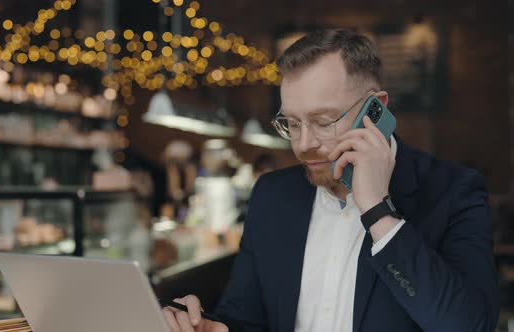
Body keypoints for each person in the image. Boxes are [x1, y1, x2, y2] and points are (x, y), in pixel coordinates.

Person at [162, 29, 499, 332]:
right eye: (292, 124)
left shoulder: (453, 191)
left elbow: (469, 325)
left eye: (323, 121)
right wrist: (213, 328)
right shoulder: (273, 195)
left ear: (375, 109)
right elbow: (245, 316)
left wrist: (378, 211)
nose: (304, 143)